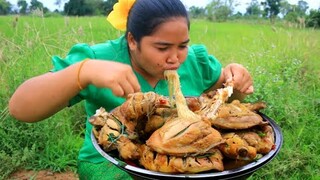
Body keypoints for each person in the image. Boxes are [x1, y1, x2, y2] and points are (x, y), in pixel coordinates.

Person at [9, 0, 254, 179]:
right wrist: (81, 73)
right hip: (113, 164)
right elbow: (21, 108)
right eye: (162, 48)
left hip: (183, 158)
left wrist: (236, 79)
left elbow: (229, 97)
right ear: (132, 40)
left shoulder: (195, 61)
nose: (175, 59)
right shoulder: (99, 59)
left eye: (182, 46)